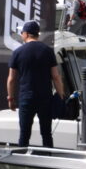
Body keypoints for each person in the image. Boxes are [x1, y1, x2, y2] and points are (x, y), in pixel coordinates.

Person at [7, 20, 65, 148]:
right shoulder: (48, 51)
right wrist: (61, 95)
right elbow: (56, 76)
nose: (21, 35)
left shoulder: (17, 52)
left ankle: (22, 157)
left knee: (24, 134)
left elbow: (11, 79)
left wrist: (11, 98)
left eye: (22, 33)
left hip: (26, 97)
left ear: (27, 34)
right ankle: (48, 156)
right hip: (45, 97)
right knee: (46, 133)